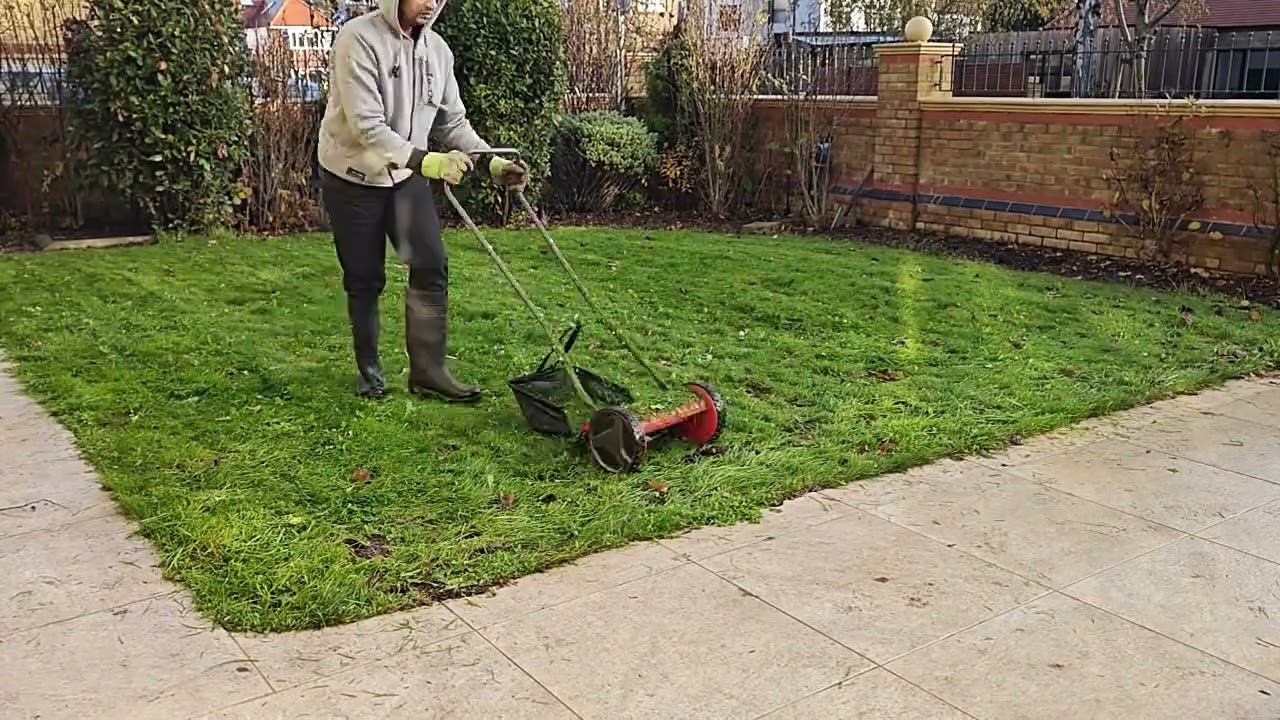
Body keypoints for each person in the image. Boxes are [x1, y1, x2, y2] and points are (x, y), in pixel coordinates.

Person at [317, 0, 527, 402]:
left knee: (430, 264)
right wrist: (426, 160)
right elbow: (367, 126)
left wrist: (493, 164)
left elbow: (453, 124)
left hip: (406, 176)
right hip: (354, 178)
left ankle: (429, 373)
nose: (431, 3)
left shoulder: (438, 51)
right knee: (365, 278)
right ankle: (370, 375)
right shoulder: (357, 39)